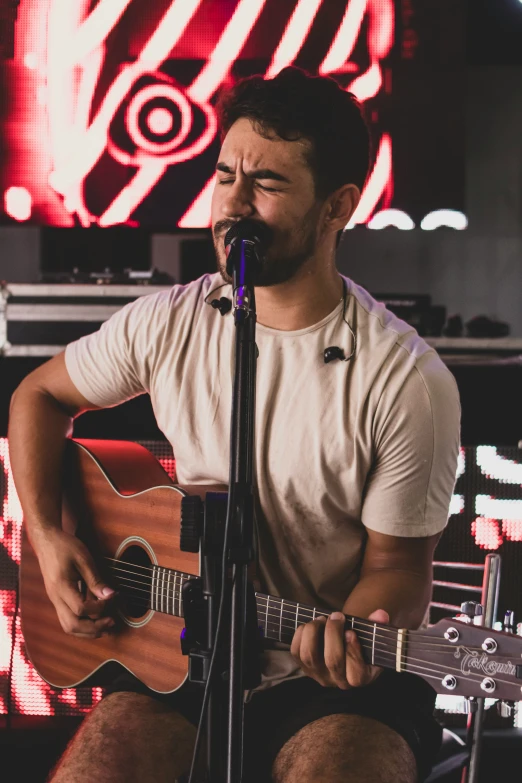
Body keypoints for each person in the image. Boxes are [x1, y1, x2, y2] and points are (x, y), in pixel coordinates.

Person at [8, 67, 460, 783]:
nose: (233, 206)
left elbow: (398, 571)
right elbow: (37, 396)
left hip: (329, 686)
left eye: (269, 185)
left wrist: (350, 631)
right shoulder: (168, 322)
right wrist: (49, 533)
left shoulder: (405, 379)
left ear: (338, 206)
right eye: (226, 176)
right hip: (176, 663)